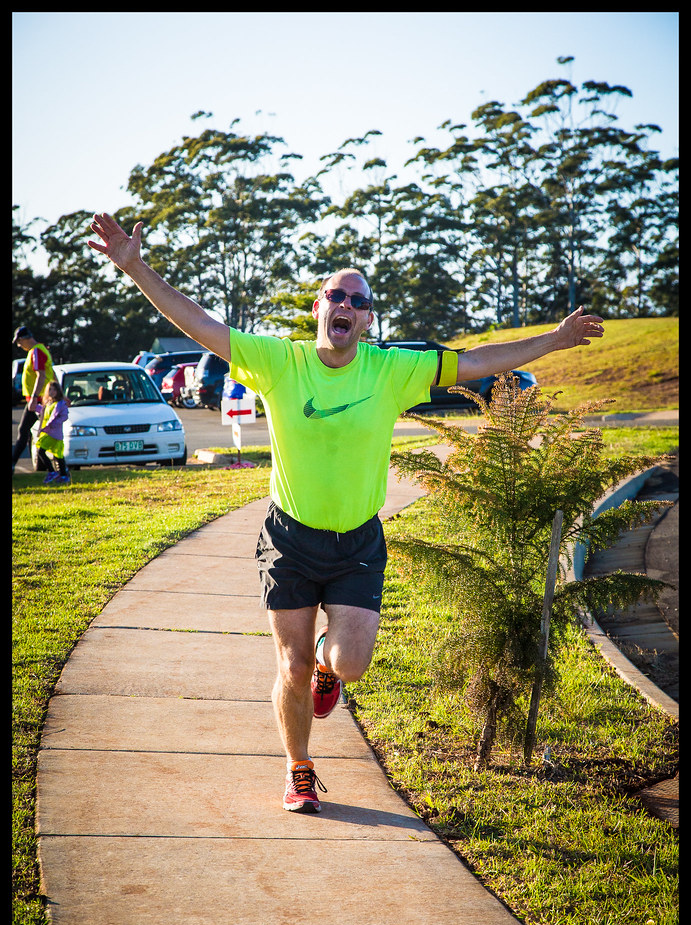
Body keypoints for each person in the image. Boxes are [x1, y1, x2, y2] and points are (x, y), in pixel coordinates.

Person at [88, 212, 605, 813]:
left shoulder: (392, 369)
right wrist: (133, 267)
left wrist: (555, 339)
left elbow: (475, 361)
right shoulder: (279, 361)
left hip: (358, 542)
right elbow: (199, 323)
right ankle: (299, 767)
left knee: (349, 663)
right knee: (293, 659)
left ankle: (330, 674)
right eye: (336, 295)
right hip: (290, 539)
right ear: (319, 307)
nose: (346, 306)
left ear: (366, 319)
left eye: (358, 301)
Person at [12, 326, 55, 472]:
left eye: (19, 342)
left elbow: (41, 375)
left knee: (28, 432)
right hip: (40, 400)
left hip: (39, 400)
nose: (19, 345)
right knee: (33, 433)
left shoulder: (36, 351)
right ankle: (56, 470)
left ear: (24, 339)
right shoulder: (39, 350)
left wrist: (35, 398)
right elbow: (52, 373)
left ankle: (57, 470)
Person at [34, 380, 71, 485]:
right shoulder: (48, 403)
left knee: (41, 451)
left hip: (54, 433)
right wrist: (35, 407)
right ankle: (63, 475)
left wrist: (54, 424)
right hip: (47, 432)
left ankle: (52, 471)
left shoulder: (60, 404)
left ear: (58, 391)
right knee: (58, 455)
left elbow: (64, 416)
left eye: (54, 389)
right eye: (50, 389)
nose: (52, 391)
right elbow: (43, 413)